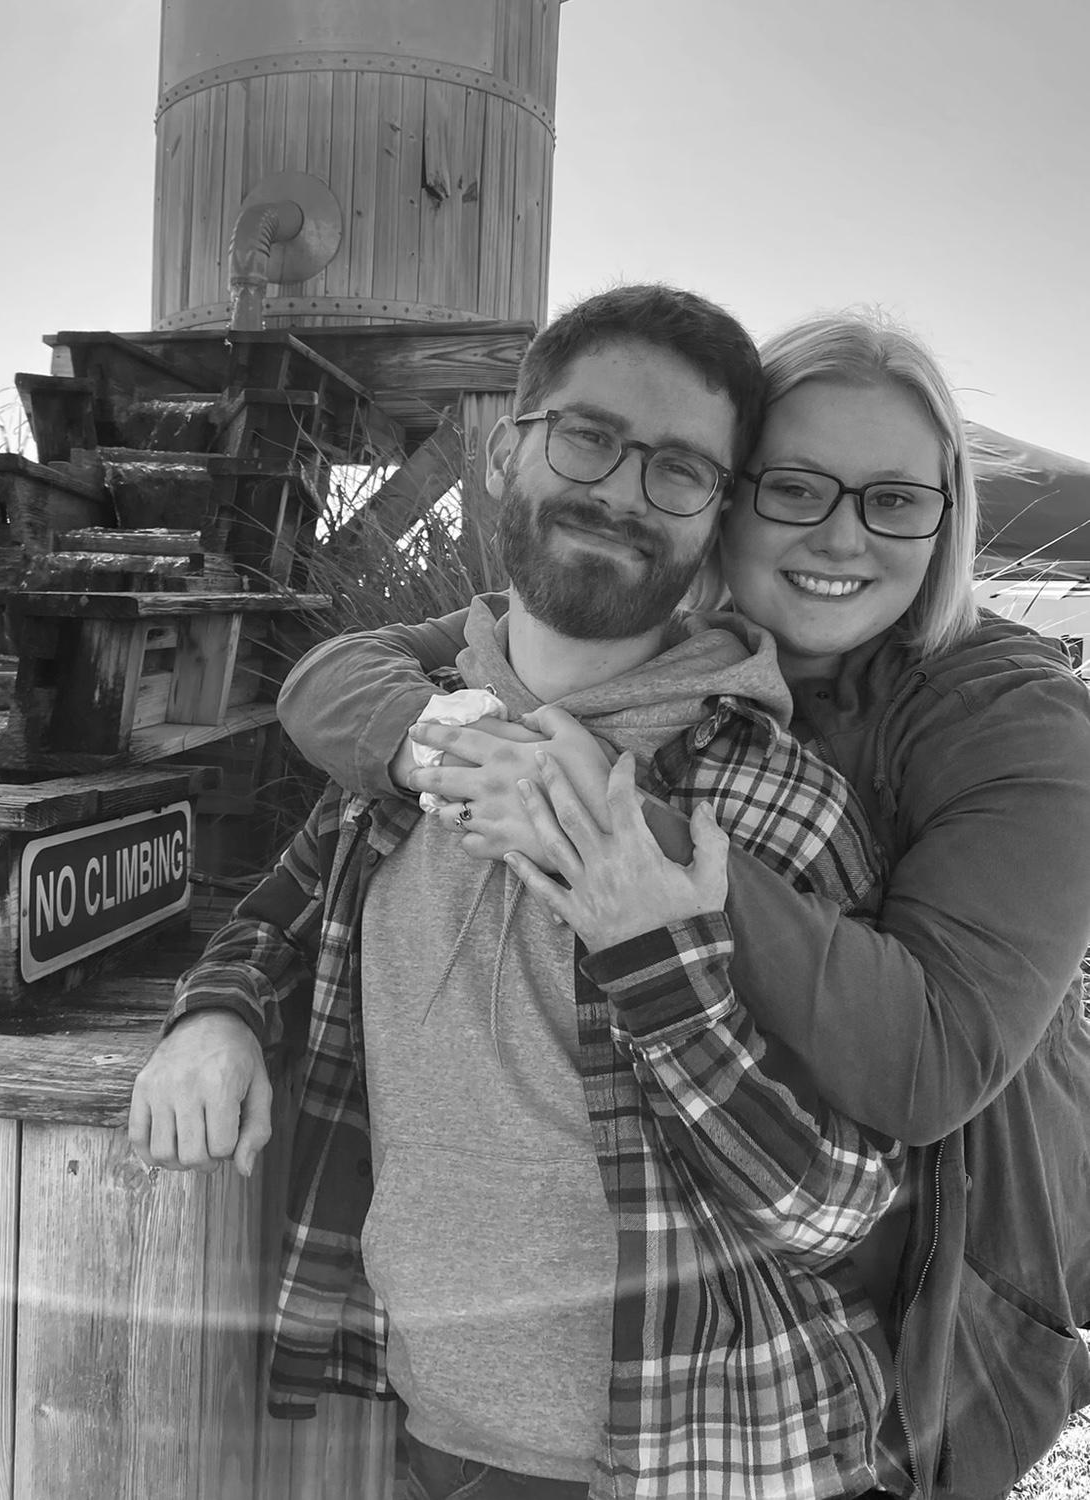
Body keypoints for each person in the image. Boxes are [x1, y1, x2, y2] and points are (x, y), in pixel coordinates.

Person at [272, 306, 1090, 1499]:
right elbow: (361, 671)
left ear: (947, 518)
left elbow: (928, 1066)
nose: (844, 534)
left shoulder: (1014, 717)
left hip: (951, 1287)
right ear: (730, 505)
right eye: (795, 487)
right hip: (543, 1387)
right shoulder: (647, 654)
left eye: (895, 501)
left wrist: (621, 830)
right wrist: (429, 743)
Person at [132, 285, 911, 1500]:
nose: (624, 493)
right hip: (439, 1433)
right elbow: (280, 913)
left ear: (716, 516)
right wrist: (217, 1013)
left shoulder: (772, 803)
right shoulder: (419, 745)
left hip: (713, 1461)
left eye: (679, 470)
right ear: (507, 452)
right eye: (589, 437)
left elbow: (835, 1209)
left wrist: (652, 957)